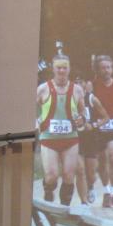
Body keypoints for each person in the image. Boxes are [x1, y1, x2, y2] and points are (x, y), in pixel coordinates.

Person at [37, 54, 85, 205]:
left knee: (69, 176)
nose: (62, 71)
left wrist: (82, 119)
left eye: (65, 67)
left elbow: (83, 111)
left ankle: (64, 208)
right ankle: (48, 192)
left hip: (70, 139)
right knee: (51, 175)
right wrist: (36, 122)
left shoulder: (77, 90)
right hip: (48, 139)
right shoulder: (43, 89)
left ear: (69, 69)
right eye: (59, 67)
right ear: (53, 69)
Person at [92, 55, 113, 209]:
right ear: (98, 70)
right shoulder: (93, 85)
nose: (106, 70)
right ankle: (107, 192)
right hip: (99, 127)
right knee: (101, 161)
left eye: (108, 67)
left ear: (112, 69)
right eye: (103, 68)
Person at [74, 77, 108, 205]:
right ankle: (83, 202)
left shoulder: (91, 99)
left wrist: (93, 125)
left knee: (91, 173)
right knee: (80, 170)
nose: (78, 84)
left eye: (80, 82)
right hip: (76, 138)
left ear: (85, 83)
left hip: (91, 139)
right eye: (75, 82)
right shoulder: (69, 99)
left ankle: (91, 186)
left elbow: (106, 118)